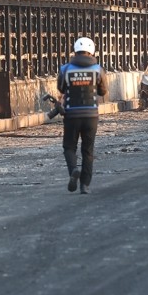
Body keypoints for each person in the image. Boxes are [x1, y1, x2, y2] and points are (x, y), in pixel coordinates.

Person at [57, 37, 107, 194]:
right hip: (91, 115)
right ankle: (85, 185)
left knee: (69, 147)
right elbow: (103, 91)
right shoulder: (98, 69)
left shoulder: (65, 69)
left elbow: (61, 88)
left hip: (71, 114)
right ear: (92, 51)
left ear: (75, 51)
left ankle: (73, 170)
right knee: (88, 150)